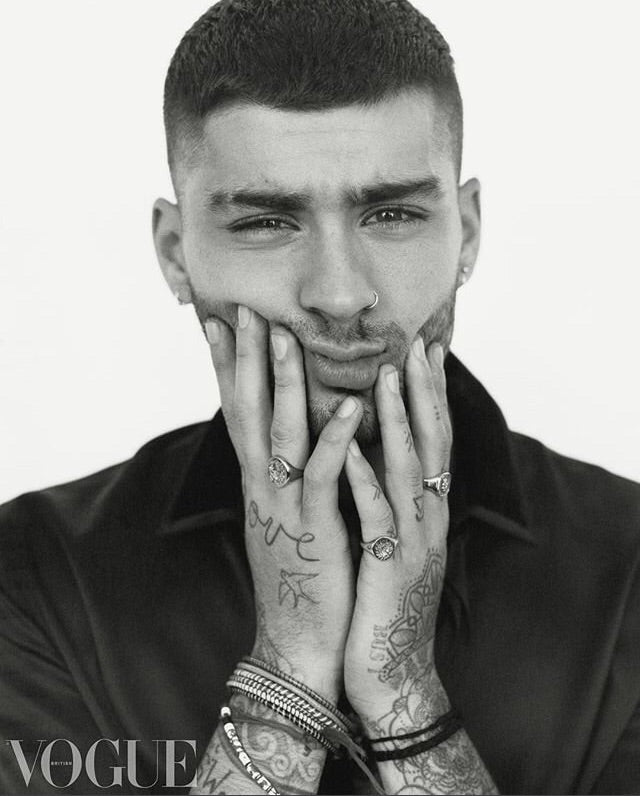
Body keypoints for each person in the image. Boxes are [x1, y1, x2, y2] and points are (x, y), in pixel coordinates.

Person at [0, 0, 638, 794]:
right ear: (175, 253)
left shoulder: (628, 564)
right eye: (268, 223)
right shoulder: (31, 574)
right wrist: (290, 664)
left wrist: (403, 688)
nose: (339, 295)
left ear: (467, 232)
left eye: (393, 214)